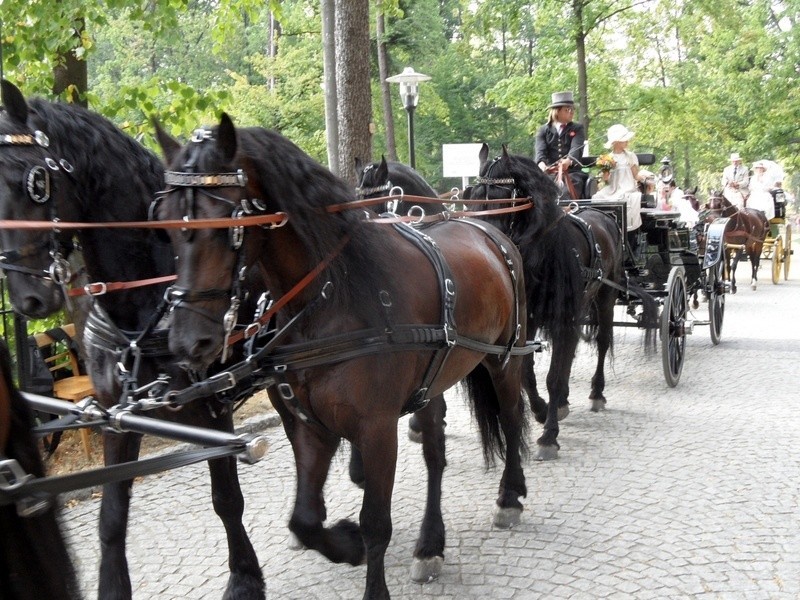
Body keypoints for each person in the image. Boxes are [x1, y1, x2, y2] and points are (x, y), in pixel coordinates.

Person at [591, 124, 644, 248]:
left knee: (627, 199)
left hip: (627, 188)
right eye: (624, 139)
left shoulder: (630, 156)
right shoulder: (607, 158)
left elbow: (636, 175)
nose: (627, 141)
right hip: (612, 189)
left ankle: (628, 236)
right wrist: (607, 170)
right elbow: (606, 181)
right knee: (597, 198)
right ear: (616, 142)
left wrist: (647, 179)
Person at [534, 91, 588, 199]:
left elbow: (576, 147)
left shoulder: (577, 128)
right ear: (557, 111)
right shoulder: (543, 130)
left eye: (573, 109)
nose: (572, 112)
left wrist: (569, 160)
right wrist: (541, 164)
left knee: (565, 192)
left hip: (571, 173)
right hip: (549, 174)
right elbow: (540, 151)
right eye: (567, 109)